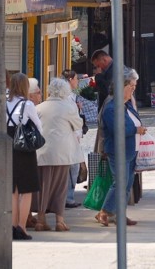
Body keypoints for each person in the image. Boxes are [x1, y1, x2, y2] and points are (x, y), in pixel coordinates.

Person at [95, 67, 147, 227]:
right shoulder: (112, 106)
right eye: (131, 85)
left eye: (134, 86)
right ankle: (104, 212)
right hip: (118, 150)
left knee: (126, 184)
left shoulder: (126, 104)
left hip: (131, 150)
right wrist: (136, 129)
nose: (133, 88)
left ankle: (119, 215)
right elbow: (118, 128)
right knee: (120, 182)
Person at [34, 78, 84, 232]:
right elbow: (78, 124)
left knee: (44, 186)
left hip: (42, 152)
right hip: (62, 153)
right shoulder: (68, 107)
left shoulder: (39, 107)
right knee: (61, 187)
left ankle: (41, 219)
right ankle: (59, 221)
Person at [7, 72, 43, 240]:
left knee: (13, 190)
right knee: (26, 190)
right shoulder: (27, 105)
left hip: (8, 149)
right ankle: (22, 227)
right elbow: (38, 127)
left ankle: (12, 226)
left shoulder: (3, 103)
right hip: (24, 150)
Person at [61, 69, 84, 209]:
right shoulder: (68, 97)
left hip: (70, 136)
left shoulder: (70, 97)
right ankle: (68, 197)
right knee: (72, 168)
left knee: (71, 168)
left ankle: (67, 196)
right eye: (76, 79)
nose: (77, 82)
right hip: (71, 137)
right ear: (70, 80)